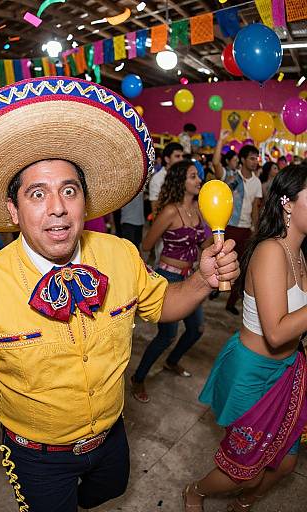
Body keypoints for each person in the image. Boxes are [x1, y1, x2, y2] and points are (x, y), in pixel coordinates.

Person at [0, 76, 239, 512]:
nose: (57, 207)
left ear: (85, 202)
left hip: (111, 436)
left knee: (107, 493)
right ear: (13, 211)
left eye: (69, 190)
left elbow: (162, 305)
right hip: (36, 457)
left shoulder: (121, 254)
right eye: (37, 194)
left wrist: (202, 280)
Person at [184, 165, 307, 511]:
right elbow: (277, 330)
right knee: (245, 471)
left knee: (285, 462)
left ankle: (245, 501)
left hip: (287, 371)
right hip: (251, 374)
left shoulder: (300, 255)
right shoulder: (271, 251)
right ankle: (195, 490)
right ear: (287, 203)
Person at [131, 161, 210, 403]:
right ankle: (138, 378)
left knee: (196, 329)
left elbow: (204, 244)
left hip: (190, 276)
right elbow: (146, 244)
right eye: (193, 176)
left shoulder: (199, 210)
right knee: (167, 335)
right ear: (180, 181)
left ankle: (171, 361)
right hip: (168, 277)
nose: (199, 181)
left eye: (198, 176)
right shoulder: (169, 211)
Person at [214, 142, 262, 315]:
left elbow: (256, 207)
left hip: (245, 229)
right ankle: (216, 286)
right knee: (220, 260)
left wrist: (255, 229)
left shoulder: (257, 182)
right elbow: (216, 164)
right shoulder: (232, 177)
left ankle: (231, 301)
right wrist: (221, 139)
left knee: (241, 266)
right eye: (251, 158)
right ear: (242, 159)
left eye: (256, 158)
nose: (255, 161)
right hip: (229, 225)